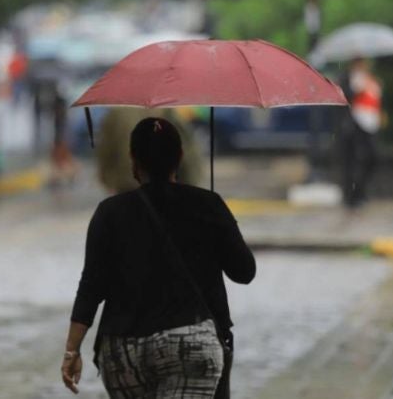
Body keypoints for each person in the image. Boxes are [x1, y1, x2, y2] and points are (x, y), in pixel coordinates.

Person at [62, 117, 256, 398]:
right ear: (180, 156)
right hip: (189, 345)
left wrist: (72, 350)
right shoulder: (207, 204)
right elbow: (244, 271)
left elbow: (91, 288)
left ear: (133, 159)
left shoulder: (110, 212)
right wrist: (220, 225)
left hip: (123, 355)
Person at [340, 58, 383, 208]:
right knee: (353, 161)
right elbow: (344, 97)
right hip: (354, 126)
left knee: (372, 157)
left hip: (371, 124)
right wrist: (355, 89)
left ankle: (361, 191)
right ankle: (351, 196)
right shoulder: (347, 78)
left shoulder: (371, 80)